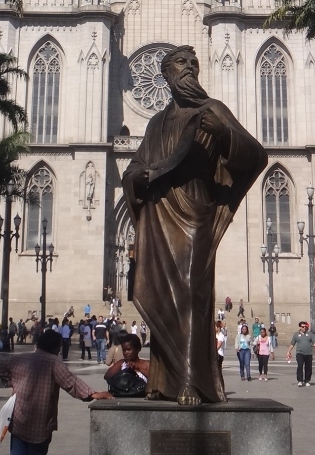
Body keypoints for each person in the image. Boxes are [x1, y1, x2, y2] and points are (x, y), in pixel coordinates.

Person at [121, 46, 267, 405]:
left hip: (195, 214)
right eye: (181, 64)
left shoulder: (212, 110)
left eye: (194, 64)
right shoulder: (156, 123)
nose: (190, 69)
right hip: (158, 215)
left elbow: (256, 154)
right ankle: (162, 382)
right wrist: (137, 176)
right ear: (166, 73)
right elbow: (138, 163)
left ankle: (192, 381)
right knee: (161, 297)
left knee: (191, 296)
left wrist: (225, 135)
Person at [0, 328, 112, 455]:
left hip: (19, 419)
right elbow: (70, 382)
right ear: (56, 347)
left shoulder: (23, 358)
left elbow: (1, 362)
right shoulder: (53, 362)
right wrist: (93, 394)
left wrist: (11, 381)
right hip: (40, 423)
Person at [287, 321, 315, 387]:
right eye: (302, 327)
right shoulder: (296, 334)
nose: (304, 328)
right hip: (300, 353)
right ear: (300, 327)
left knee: (308, 367)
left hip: (309, 353)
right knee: (300, 366)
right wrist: (288, 351)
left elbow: (314, 343)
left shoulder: (310, 334)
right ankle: (300, 381)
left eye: (305, 326)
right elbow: (292, 344)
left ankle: (307, 380)